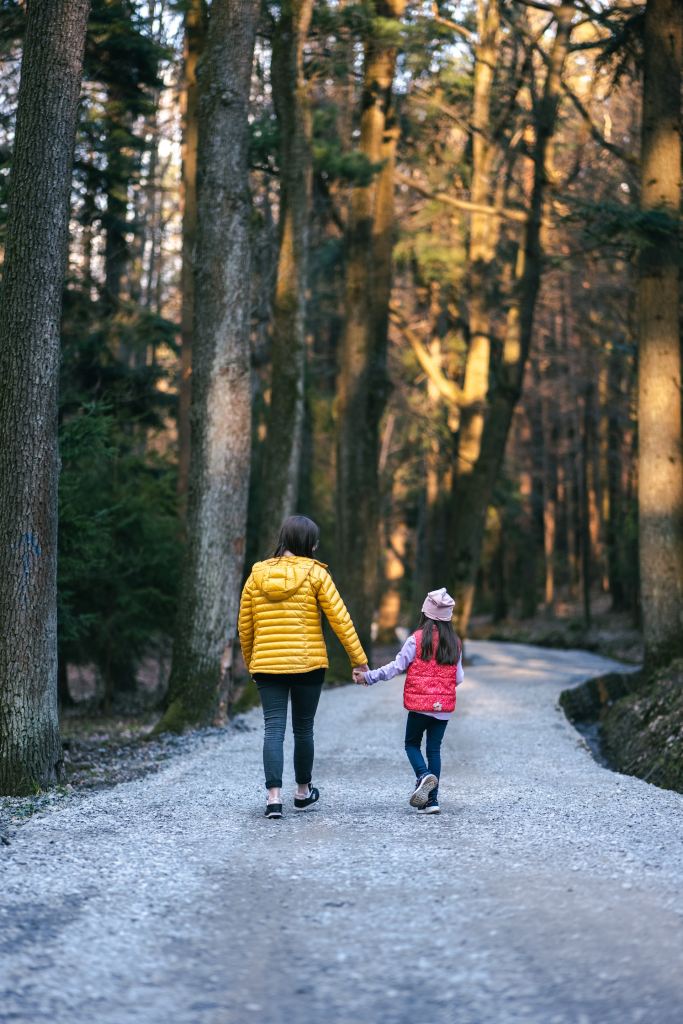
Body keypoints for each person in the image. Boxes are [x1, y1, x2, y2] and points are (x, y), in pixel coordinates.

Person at [238, 515, 369, 819]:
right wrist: (358, 660)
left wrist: (251, 662)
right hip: (308, 665)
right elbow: (341, 619)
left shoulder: (256, 575)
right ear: (308, 544)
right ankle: (302, 791)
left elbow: (245, 626)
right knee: (303, 728)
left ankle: (273, 798)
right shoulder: (316, 574)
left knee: (273, 729)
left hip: (266, 666)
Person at [353, 587, 463, 814]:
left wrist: (369, 677)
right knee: (434, 749)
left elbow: (396, 667)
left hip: (420, 707)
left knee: (411, 744)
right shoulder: (455, 642)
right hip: (443, 709)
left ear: (425, 613)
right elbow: (459, 678)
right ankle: (432, 801)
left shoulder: (417, 639)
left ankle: (423, 776)